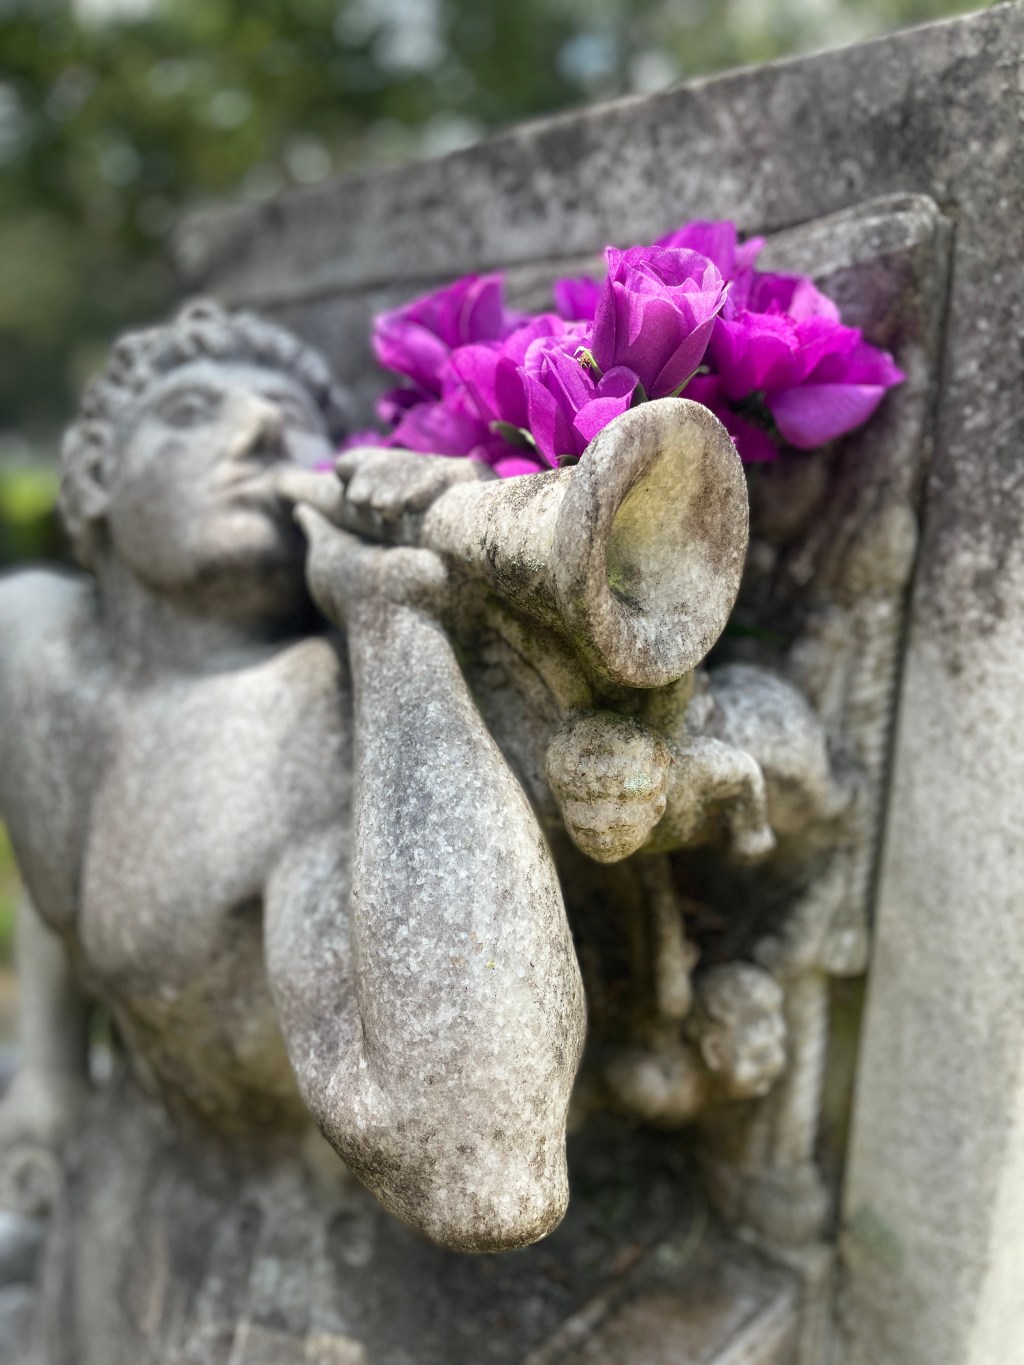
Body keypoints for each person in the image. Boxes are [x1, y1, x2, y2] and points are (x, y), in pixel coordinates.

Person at [0, 300, 586, 1258]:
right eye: (193, 409)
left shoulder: (313, 731)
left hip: (290, 1265)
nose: (261, 427)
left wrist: (395, 617)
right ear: (99, 472)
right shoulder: (25, 635)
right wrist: (52, 1066)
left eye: (292, 412)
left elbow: (487, 1177)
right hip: (114, 1195)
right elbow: (48, 835)